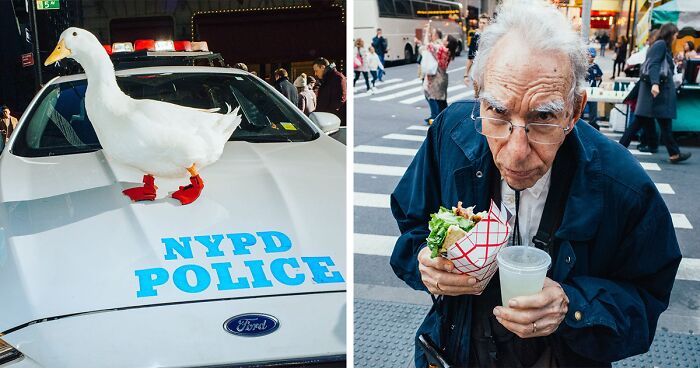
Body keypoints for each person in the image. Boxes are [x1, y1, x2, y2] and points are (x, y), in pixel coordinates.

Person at [390, 1, 681, 367]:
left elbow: (646, 301)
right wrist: (424, 263)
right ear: (477, 94)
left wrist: (572, 306)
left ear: (574, 111)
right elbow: (411, 229)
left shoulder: (623, 185)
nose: (515, 154)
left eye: (543, 118)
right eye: (497, 112)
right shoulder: (450, 136)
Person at [619, 23, 691, 163]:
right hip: (657, 94)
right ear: (670, 34)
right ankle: (673, 153)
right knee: (645, 123)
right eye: (675, 34)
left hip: (655, 94)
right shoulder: (661, 45)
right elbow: (653, 65)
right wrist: (655, 84)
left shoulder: (659, 45)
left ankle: (674, 153)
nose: (676, 37)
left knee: (655, 123)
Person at [417, 26, 458, 124]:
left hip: (437, 77)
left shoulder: (442, 50)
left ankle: (436, 119)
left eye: (445, 38)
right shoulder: (447, 51)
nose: (443, 39)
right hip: (442, 77)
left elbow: (428, 45)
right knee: (441, 100)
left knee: (433, 97)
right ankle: (445, 118)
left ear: (447, 42)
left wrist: (427, 32)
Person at [312, 58, 346, 125]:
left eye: (316, 71)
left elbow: (339, 101)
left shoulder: (337, 77)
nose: (315, 74)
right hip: (325, 119)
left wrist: (324, 115)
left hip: (331, 121)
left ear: (322, 67)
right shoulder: (327, 79)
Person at [464, 14, 491, 87]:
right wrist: (466, 75)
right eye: (480, 22)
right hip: (478, 72)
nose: (481, 25)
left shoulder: (492, 37)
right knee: (478, 96)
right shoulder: (475, 37)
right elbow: (470, 57)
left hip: (490, 72)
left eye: (484, 23)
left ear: (488, 24)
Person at [585, 47, 602, 130]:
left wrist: (595, 79)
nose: (591, 58)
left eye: (593, 57)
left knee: (593, 108)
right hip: (584, 90)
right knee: (581, 108)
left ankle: (592, 124)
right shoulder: (582, 66)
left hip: (593, 90)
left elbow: (599, 76)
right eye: (590, 56)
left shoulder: (595, 66)